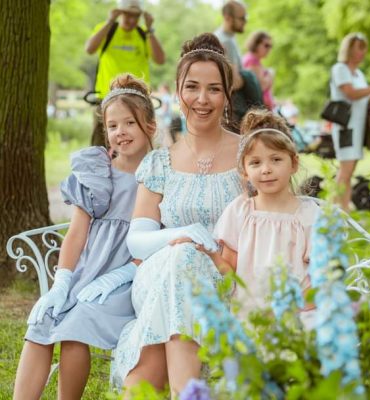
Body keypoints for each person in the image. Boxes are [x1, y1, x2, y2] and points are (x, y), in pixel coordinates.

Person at [110, 33, 244, 397]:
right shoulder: (160, 161)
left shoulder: (249, 155)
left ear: (227, 95)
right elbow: (138, 240)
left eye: (214, 89)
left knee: (178, 290)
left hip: (226, 277)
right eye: (193, 87)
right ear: (178, 91)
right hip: (161, 271)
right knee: (182, 260)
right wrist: (181, 236)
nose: (203, 99)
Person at [13, 74, 156, 400]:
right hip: (86, 271)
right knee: (43, 322)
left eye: (130, 123)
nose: (121, 132)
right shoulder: (97, 171)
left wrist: (122, 275)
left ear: (150, 125)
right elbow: (76, 234)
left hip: (128, 278)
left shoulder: (160, 174)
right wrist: (62, 282)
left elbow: (155, 236)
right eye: (113, 125)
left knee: (77, 326)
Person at [195, 109, 318, 324]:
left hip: (297, 315)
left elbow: (318, 278)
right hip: (250, 318)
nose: (266, 170)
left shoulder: (308, 214)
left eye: (276, 159)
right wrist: (211, 255)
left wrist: (294, 310)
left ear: (294, 163)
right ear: (244, 170)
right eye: (255, 163)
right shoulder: (240, 211)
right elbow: (229, 272)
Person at [85, 0, 165, 147]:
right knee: (99, 148)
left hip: (137, 101)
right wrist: (110, 21)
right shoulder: (108, 30)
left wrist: (150, 30)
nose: (132, 20)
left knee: (139, 147)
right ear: (120, 13)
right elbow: (89, 49)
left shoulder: (143, 34)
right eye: (128, 15)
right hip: (105, 99)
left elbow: (160, 59)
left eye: (136, 16)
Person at [329, 33, 370, 211]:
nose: (362, 52)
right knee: (345, 171)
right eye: (359, 47)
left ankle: (343, 208)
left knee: (349, 172)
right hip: (346, 128)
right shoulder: (340, 69)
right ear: (349, 49)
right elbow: (351, 93)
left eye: (364, 48)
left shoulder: (359, 74)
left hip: (358, 129)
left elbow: (364, 97)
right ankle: (336, 210)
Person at [214, 1, 264, 126]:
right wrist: (250, 77)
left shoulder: (229, 38)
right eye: (242, 18)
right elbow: (233, 83)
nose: (245, 21)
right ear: (227, 17)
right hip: (235, 112)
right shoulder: (225, 42)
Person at [242, 30, 275, 110]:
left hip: (262, 109)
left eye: (270, 46)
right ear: (256, 44)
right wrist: (270, 75)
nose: (268, 49)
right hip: (259, 110)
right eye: (266, 45)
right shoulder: (251, 61)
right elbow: (260, 87)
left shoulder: (255, 61)